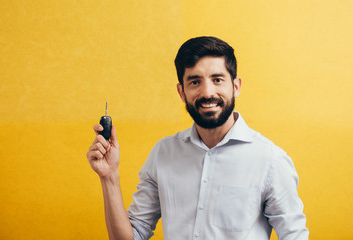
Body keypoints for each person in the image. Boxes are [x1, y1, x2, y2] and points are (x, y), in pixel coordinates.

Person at [86, 36, 309, 240]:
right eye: (195, 82)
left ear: (236, 86)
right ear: (181, 92)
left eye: (217, 79)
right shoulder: (163, 154)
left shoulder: (270, 160)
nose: (207, 92)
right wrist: (109, 177)